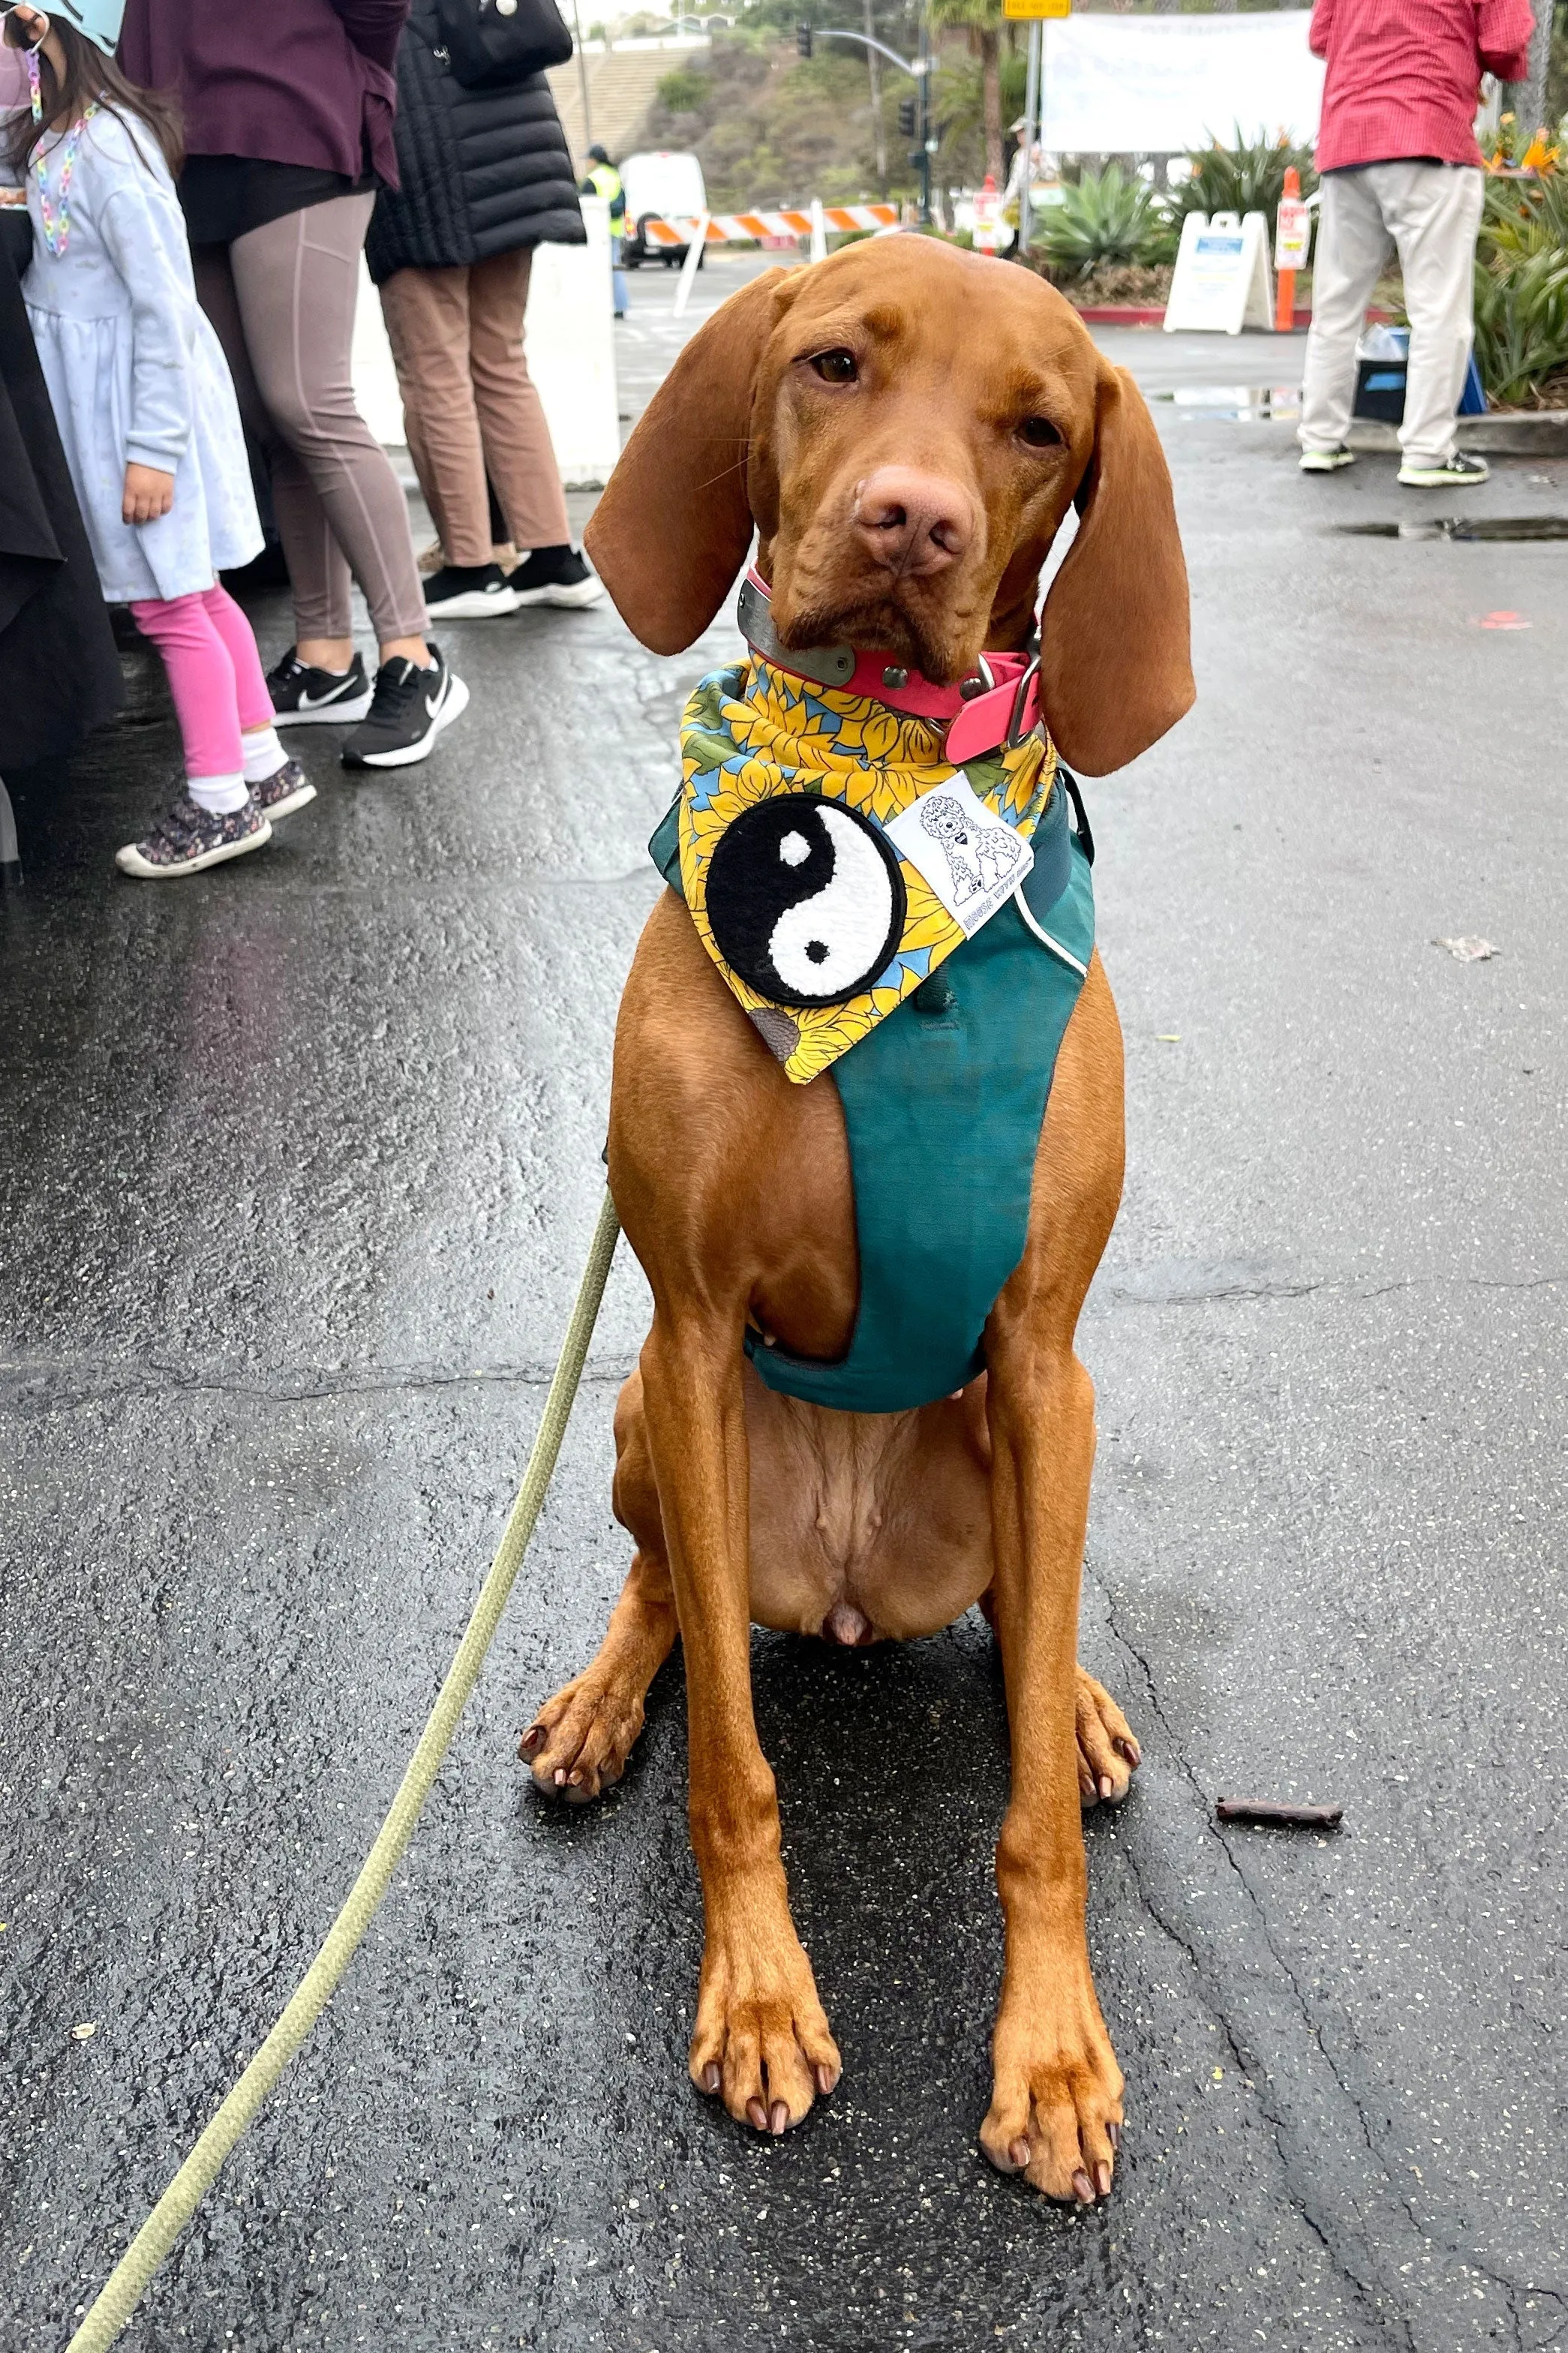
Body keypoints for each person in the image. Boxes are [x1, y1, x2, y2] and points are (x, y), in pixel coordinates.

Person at [5, 0, 316, 878]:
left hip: (141, 424)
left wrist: (152, 448)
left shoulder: (106, 147)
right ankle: (259, 759)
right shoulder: (55, 140)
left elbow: (163, 305)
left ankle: (217, 800)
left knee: (169, 607)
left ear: (38, 33)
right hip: (125, 418)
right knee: (199, 592)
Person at [117, 0, 469, 767]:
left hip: (297, 117)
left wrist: (329, 69)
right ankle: (324, 655)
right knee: (265, 417)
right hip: (183, 139)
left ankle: (414, 651)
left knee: (308, 400)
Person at [366, 1, 602, 620]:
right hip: (518, 148)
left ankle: (469, 566)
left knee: (433, 370)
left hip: (428, 154)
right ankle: (553, 557)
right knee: (501, 359)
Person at [1298, 0, 1535, 488]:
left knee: (1336, 304)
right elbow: (1506, 45)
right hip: (1428, 135)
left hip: (1348, 141)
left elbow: (1321, 37)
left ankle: (1320, 440)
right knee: (1437, 308)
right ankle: (1427, 452)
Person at [580, 141, 627, 320]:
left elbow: (585, 206)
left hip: (597, 232)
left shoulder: (593, 180)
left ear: (594, 160)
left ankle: (596, 307)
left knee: (595, 271)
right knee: (616, 270)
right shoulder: (614, 176)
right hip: (615, 230)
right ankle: (621, 306)